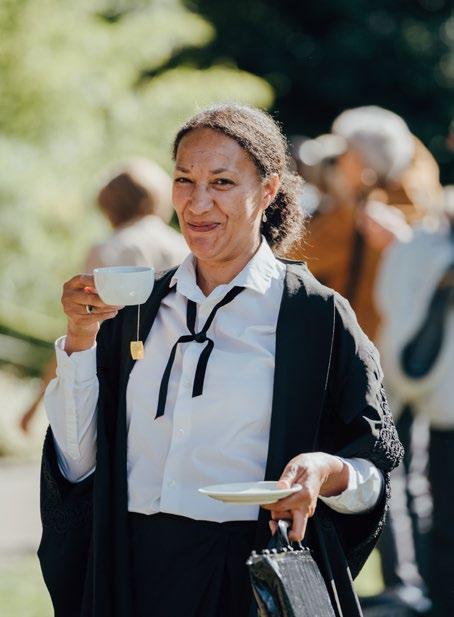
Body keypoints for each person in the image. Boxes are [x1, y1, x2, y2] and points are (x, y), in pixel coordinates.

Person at [38, 103, 403, 617]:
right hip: (131, 573)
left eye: (222, 182)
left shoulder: (315, 317)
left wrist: (326, 471)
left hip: (249, 580)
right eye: (184, 180)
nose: (197, 202)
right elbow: (77, 468)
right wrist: (80, 340)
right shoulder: (136, 308)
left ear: (268, 190)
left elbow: (373, 474)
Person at [19, 159, 188, 433]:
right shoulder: (185, 247)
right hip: (178, 377)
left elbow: (80, 328)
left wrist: (35, 404)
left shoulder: (109, 249)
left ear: (109, 206)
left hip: (118, 381)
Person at [366, 192, 454, 616]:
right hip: (438, 405)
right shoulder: (422, 248)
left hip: (431, 397)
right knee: (438, 513)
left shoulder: (418, 247)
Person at [288, 106, 443, 340]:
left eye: (345, 153)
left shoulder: (364, 218)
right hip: (393, 343)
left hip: (360, 343)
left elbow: (293, 256)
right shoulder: (419, 199)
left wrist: (341, 202)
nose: (338, 161)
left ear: (361, 163)